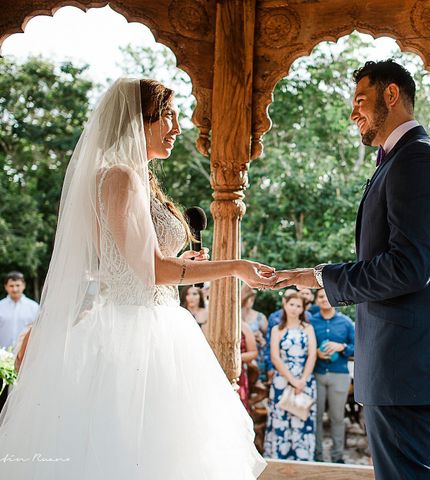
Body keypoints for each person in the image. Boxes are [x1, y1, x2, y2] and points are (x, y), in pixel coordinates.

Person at [0, 79, 276, 479]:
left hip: (154, 322)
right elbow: (153, 272)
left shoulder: (135, 177)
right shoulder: (119, 177)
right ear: (137, 121)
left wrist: (182, 261)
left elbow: (143, 261)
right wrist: (234, 267)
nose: (178, 127)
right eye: (167, 116)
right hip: (135, 332)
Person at [277, 59, 430, 480]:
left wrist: (323, 277)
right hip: (399, 364)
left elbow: (409, 266)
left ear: (392, 95)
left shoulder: (418, 161)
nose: (353, 112)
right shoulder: (400, 161)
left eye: (360, 100)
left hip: (405, 364)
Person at [264, 291, 317, 461]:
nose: (294, 309)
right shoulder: (276, 329)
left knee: (301, 418)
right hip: (282, 381)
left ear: (303, 309)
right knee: (282, 419)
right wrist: (292, 380)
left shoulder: (307, 328)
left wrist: (302, 380)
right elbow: (275, 357)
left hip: (304, 380)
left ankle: (302, 459)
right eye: (291, 304)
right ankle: (280, 458)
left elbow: (312, 355)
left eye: (298, 306)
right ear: (285, 305)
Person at [310, 288, 355, 463]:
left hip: (339, 375)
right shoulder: (310, 322)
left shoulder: (346, 322)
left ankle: (337, 457)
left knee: (337, 418)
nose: (324, 299)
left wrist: (342, 347)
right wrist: (315, 352)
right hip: (317, 375)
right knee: (317, 416)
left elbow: (358, 345)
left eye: (328, 295)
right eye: (321, 296)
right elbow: (304, 344)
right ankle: (317, 456)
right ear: (316, 300)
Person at [0, 272, 39, 350]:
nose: (15, 289)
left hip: (26, 354)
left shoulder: (34, 307)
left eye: (17, 285)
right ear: (5, 287)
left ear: (23, 286)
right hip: (2, 354)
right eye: (11, 286)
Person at [241, 285, 268, 378]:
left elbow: (267, 339)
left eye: (252, 299)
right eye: (249, 298)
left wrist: (261, 339)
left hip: (257, 357)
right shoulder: (235, 316)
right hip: (242, 356)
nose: (250, 301)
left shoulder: (260, 317)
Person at [239, 321, 259, 412]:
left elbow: (254, 353)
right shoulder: (211, 324)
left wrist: (236, 357)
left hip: (239, 374)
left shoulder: (244, 326)